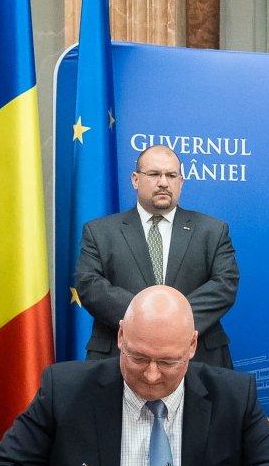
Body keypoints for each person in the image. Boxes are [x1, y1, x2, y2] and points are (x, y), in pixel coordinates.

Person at [0, 286, 269, 466]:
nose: (151, 375)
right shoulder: (66, 390)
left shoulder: (232, 394)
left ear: (192, 346)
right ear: (121, 336)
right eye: (138, 358)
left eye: (167, 362)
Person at [75, 144, 239, 368]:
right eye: (154, 174)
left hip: (199, 358)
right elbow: (89, 285)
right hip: (120, 356)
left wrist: (174, 321)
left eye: (171, 175)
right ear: (135, 180)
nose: (163, 182)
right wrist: (144, 319)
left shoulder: (213, 231)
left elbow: (225, 284)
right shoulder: (99, 232)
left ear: (181, 182)